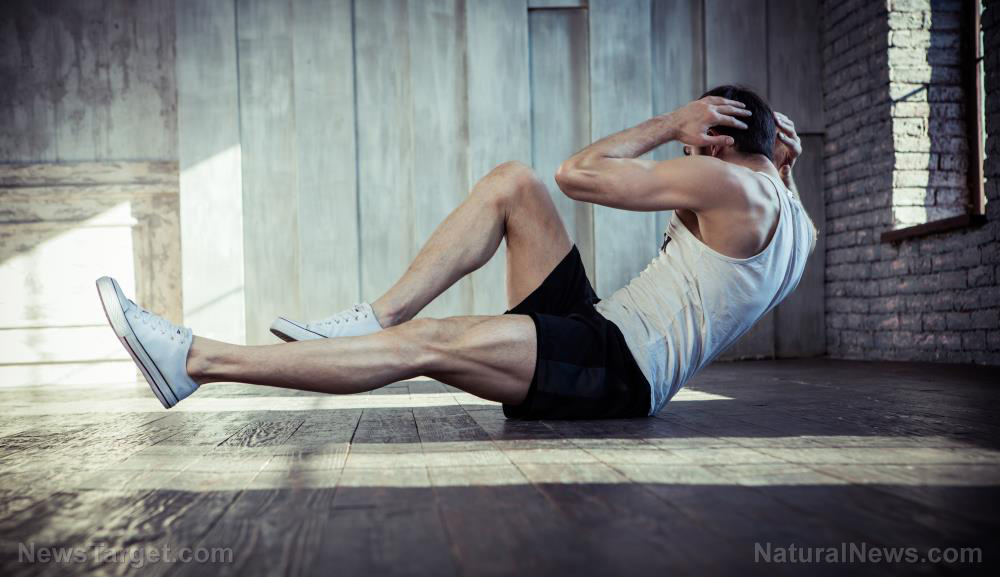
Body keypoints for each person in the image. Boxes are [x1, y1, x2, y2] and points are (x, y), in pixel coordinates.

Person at [97, 85, 816, 419]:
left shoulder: (727, 182)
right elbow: (770, 173)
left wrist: (668, 122)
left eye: (693, 141)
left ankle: (197, 361)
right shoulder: (791, 215)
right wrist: (783, 159)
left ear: (715, 143)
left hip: (617, 370)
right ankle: (373, 317)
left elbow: (579, 173)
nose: (684, 153)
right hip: (603, 327)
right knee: (514, 184)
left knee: (430, 342)